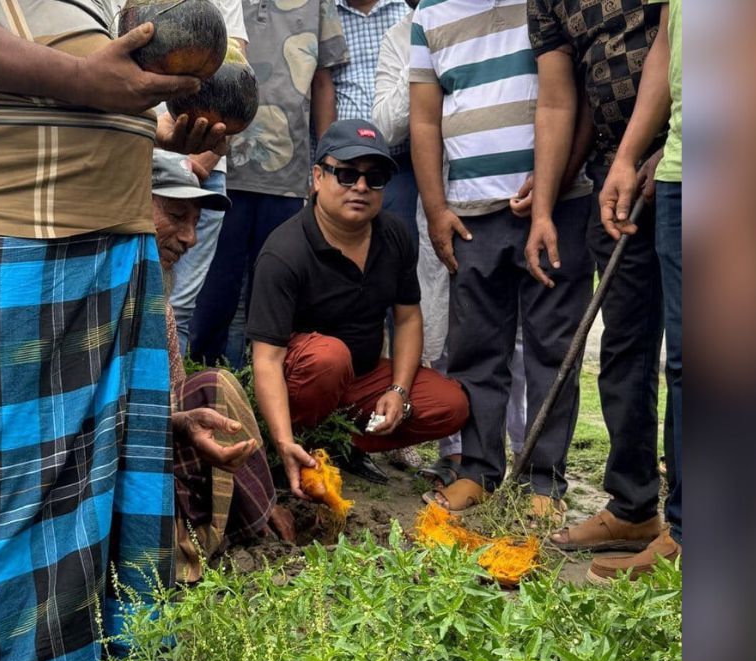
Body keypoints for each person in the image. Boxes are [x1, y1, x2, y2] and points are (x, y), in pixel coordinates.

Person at [0, 0, 229, 661]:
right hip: (1, 243)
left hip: (103, 255)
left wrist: (152, 121)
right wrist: (85, 84)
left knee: (82, 534)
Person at [409, 0, 594, 518]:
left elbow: (577, 97)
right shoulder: (429, 12)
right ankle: (477, 470)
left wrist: (554, 187)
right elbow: (425, 120)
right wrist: (435, 208)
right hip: (469, 211)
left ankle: (544, 482)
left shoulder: (550, 4)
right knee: (476, 348)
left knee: (552, 347)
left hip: (560, 205)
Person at [247, 119, 470, 502]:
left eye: (375, 177)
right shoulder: (284, 252)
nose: (361, 187)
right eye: (346, 174)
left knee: (450, 405)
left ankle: (339, 447)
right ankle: (292, 448)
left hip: (362, 379)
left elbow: (408, 317)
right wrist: (282, 439)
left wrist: (399, 390)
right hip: (303, 379)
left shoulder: (395, 234)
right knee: (329, 357)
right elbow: (266, 361)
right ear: (317, 177)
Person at [527, 0, 668, 553]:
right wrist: (544, 202)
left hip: (686, 159)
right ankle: (633, 506)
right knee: (624, 349)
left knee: (693, 353)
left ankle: (691, 520)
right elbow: (562, 101)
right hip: (613, 173)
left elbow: (692, 47)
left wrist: (673, 139)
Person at [371, 0, 527, 477]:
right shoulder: (404, 32)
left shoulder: (528, 11)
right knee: (447, 323)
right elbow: (389, 123)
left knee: (521, 336)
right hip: (442, 195)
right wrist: (426, 58)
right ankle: (458, 453)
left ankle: (528, 452)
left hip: (519, 190)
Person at [148, 150, 295, 582]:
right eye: (176, 215)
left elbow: (174, 395)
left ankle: (256, 517)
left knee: (216, 386)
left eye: (195, 222)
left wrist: (181, 421)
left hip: (156, 442)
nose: (190, 238)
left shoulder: (162, 305)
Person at [188, 0, 349, 369]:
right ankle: (203, 387)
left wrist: (327, 165)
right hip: (221, 167)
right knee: (214, 294)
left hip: (287, 175)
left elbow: (323, 81)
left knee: (276, 299)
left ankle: (264, 400)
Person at [589, 0, 682, 582]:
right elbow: (668, 50)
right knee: (685, 363)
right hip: (677, 171)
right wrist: (628, 156)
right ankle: (650, 515)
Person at [164, 0, 250, 354]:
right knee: (130, 292)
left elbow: (236, 84)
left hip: (206, 167)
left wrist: (200, 161)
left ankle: (171, 398)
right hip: (136, 154)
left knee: (180, 305)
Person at [332, 0, 417, 234]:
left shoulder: (408, 11)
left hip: (401, 164)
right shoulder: (326, 14)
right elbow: (318, 88)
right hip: (342, 166)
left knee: (399, 250)